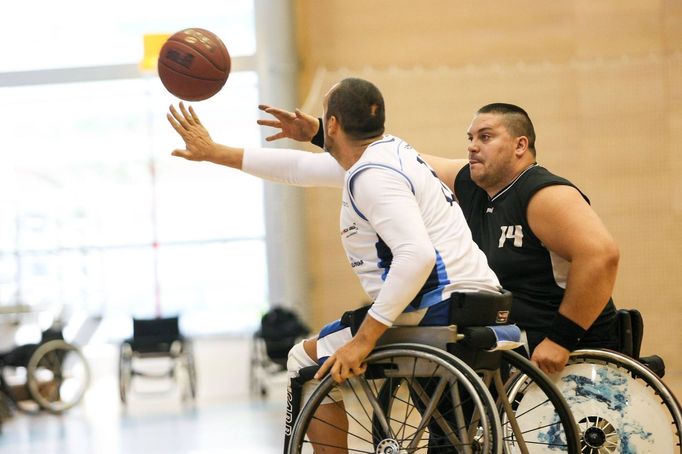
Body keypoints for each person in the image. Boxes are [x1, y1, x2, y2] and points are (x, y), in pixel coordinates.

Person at [167, 78, 505, 453]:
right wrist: (214, 151)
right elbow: (299, 167)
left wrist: (363, 341)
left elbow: (417, 255)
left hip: (438, 305)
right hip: (480, 297)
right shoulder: (390, 153)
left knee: (302, 361)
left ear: (332, 125)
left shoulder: (373, 175)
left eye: (324, 112)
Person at [255, 102, 620, 375]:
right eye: (470, 138)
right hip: (505, 341)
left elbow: (602, 256)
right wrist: (323, 132)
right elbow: (400, 160)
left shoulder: (543, 194)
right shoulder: (474, 185)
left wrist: (561, 339)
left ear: (521, 145)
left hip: (566, 347)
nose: (473, 146)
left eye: (486, 137)